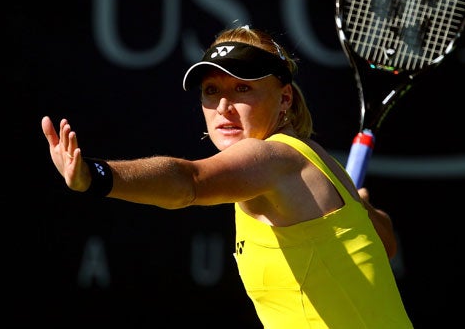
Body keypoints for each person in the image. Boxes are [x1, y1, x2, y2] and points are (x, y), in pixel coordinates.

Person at [41, 25, 413, 328]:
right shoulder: (316, 163)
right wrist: (363, 212)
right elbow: (385, 246)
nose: (222, 107)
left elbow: (190, 182)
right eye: (211, 91)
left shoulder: (273, 157)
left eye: (242, 89)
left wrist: (96, 175)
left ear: (285, 99)